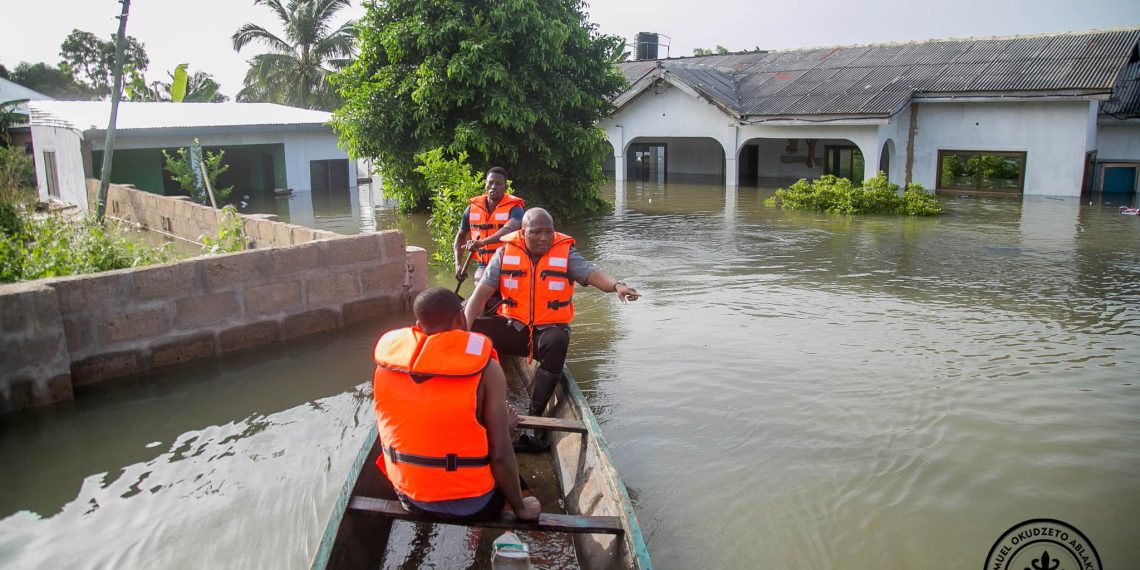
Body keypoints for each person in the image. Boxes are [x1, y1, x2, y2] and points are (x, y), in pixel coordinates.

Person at [463, 208, 640, 452]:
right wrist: (460, 331)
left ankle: (535, 421)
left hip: (546, 333)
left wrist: (617, 285)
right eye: (537, 232)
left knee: (558, 340)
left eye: (549, 232)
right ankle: (473, 401)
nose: (544, 238)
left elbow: (591, 272)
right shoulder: (504, 253)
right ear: (523, 232)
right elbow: (479, 296)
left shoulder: (565, 252)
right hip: (514, 328)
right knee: (474, 332)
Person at [371, 287, 541, 521]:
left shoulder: (386, 365)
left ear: (418, 326)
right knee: (505, 454)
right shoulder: (487, 369)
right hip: (474, 505)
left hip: (408, 497)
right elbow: (500, 454)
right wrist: (521, 507)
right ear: (461, 318)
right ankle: (520, 504)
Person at [454, 167, 526, 284]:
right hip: (484, 263)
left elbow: (509, 229)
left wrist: (482, 242)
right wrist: (457, 265)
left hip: (509, 261)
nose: (493, 187)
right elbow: (461, 236)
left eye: (498, 184)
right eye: (490, 183)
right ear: (485, 185)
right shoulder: (472, 209)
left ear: (505, 188)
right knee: (479, 284)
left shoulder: (515, 208)